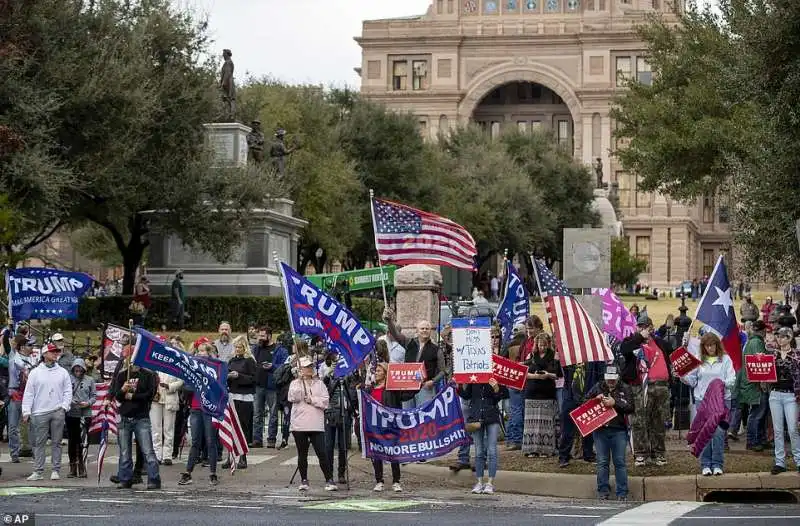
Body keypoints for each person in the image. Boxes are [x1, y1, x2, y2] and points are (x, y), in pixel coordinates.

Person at [620, 312, 673, 467]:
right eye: (641, 326)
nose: (644, 329)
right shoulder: (632, 342)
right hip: (640, 388)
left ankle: (658, 453)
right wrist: (639, 337)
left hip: (661, 387)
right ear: (637, 328)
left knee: (658, 422)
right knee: (639, 422)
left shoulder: (659, 343)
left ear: (651, 328)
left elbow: (673, 353)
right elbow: (624, 349)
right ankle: (641, 454)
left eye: (646, 327)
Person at [681, 333, 736, 475]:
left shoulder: (725, 359)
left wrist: (720, 384)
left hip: (721, 402)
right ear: (703, 347)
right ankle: (705, 464)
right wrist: (682, 377)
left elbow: (732, 379)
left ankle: (717, 464)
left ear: (717, 345)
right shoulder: (698, 360)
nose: (710, 348)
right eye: (707, 345)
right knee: (704, 433)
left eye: (712, 345)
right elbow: (692, 381)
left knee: (718, 433)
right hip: (703, 401)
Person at [21, 343, 72, 481]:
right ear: (44, 354)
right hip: (39, 412)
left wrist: (64, 407)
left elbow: (68, 391)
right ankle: (38, 471)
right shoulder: (35, 372)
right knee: (39, 443)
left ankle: (55, 469)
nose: (55, 354)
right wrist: (26, 411)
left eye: (56, 352)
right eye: (52, 352)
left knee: (56, 442)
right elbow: (29, 393)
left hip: (57, 411)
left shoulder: (62, 372)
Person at [113, 351, 161, 490]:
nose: (133, 362)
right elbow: (118, 396)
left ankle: (154, 479)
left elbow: (149, 394)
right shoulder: (122, 374)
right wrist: (123, 390)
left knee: (148, 451)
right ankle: (125, 478)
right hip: (125, 417)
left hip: (141, 417)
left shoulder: (148, 374)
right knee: (124, 452)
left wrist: (132, 396)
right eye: (131, 359)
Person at [288, 356, 336, 492]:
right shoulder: (295, 383)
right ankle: (304, 479)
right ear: (300, 369)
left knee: (322, 452)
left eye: (311, 367)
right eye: (306, 367)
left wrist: (313, 400)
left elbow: (325, 402)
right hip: (300, 424)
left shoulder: (319, 384)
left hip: (316, 424)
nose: (310, 369)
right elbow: (292, 397)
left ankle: (329, 479)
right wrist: (300, 383)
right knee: (302, 454)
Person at [588, 365, 635, 501]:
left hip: (619, 430)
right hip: (600, 430)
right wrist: (595, 400)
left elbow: (631, 407)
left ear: (618, 377)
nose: (610, 382)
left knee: (619, 461)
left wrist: (615, 403)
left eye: (613, 379)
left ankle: (622, 492)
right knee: (602, 461)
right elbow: (584, 402)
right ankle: (603, 491)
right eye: (608, 379)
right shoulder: (598, 387)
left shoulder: (625, 388)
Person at [383, 308, 445, 408]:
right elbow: (395, 334)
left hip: (425, 388)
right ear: (417, 330)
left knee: (424, 416)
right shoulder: (408, 343)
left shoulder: (436, 349)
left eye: (427, 328)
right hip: (408, 387)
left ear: (430, 331)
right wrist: (389, 321)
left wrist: (433, 381)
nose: (424, 330)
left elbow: (442, 371)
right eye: (422, 328)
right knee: (408, 416)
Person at [178, 343, 221, 486]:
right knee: (195, 441)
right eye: (198, 351)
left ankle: (213, 473)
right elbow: (186, 386)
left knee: (210, 441)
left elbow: (218, 387)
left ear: (209, 353)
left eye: (203, 351)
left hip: (209, 409)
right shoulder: (192, 368)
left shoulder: (214, 368)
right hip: (196, 408)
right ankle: (188, 472)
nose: (200, 353)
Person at [367, 363, 413, 492]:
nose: (376, 373)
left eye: (379, 371)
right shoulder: (370, 389)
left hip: (390, 425)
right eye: (375, 371)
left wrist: (417, 384)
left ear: (386, 373)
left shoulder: (392, 389)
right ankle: (379, 480)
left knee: (393, 453)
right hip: (375, 426)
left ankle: (396, 481)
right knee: (376, 454)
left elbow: (406, 396)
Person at [459, 377, 509, 495]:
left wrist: (496, 389)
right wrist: (459, 386)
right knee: (479, 451)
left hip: (491, 415)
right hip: (476, 417)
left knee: (492, 451)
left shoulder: (495, 376)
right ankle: (479, 482)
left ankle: (490, 483)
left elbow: (499, 397)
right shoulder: (474, 378)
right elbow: (467, 395)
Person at [522, 333, 560, 458]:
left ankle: (546, 449)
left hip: (547, 393)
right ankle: (532, 449)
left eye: (544, 345)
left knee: (546, 423)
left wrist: (548, 374)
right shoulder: (532, 356)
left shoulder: (553, 356)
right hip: (532, 392)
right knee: (531, 423)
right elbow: (525, 372)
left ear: (548, 344)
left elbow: (557, 374)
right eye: (540, 345)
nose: (542, 347)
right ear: (536, 345)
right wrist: (537, 376)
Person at [768, 327, 800, 475]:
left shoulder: (797, 355)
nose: (780, 339)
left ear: (789, 337)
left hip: (791, 395)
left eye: (783, 337)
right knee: (778, 430)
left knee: (793, 429)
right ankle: (779, 462)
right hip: (775, 394)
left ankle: (798, 460)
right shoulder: (772, 355)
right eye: (778, 337)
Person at [323, 352, 358, 485]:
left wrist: (348, 375)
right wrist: (331, 374)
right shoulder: (327, 374)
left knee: (343, 445)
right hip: (330, 412)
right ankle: (329, 474)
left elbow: (353, 390)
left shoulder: (349, 374)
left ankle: (341, 473)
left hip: (345, 412)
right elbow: (325, 389)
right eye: (334, 361)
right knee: (328, 445)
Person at [735, 319, 770, 451]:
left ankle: (760, 439)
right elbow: (758, 363)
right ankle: (752, 441)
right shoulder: (757, 342)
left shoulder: (752, 341)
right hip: (755, 385)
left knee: (759, 413)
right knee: (757, 413)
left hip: (752, 383)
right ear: (763, 331)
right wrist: (762, 383)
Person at [223, 336, 256, 470]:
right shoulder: (231, 360)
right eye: (235, 347)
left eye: (240, 347)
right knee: (230, 427)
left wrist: (239, 376)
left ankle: (243, 457)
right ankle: (230, 457)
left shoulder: (249, 361)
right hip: (232, 395)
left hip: (244, 397)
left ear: (245, 348)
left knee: (242, 428)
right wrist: (228, 376)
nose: (237, 349)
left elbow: (254, 379)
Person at [8, 336, 37, 462]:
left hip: (29, 396)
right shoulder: (14, 359)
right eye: (30, 345)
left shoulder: (33, 359)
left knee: (32, 425)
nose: (32, 348)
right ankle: (14, 453)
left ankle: (35, 451)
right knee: (13, 426)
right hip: (16, 395)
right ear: (22, 347)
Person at [150, 358, 183, 466]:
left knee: (168, 428)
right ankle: (157, 454)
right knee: (156, 428)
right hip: (156, 400)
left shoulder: (175, 365)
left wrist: (170, 386)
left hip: (170, 399)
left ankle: (167, 455)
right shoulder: (154, 364)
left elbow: (181, 381)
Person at [66, 358, 96, 478]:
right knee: (72, 440)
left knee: (83, 441)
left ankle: (82, 466)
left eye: (80, 370)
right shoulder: (68, 379)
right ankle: (73, 466)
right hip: (72, 413)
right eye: (76, 370)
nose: (78, 372)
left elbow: (94, 395)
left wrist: (88, 403)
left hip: (85, 414)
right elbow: (65, 393)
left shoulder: (90, 380)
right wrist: (72, 401)